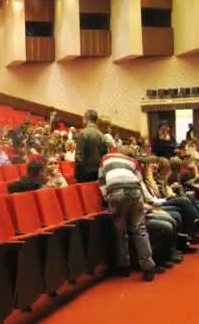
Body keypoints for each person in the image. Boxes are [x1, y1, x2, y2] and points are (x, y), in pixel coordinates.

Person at [98, 146, 158, 281]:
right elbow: (141, 183)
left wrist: (107, 197)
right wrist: (151, 200)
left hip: (116, 192)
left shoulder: (105, 158)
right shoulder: (133, 162)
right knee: (139, 229)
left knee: (121, 231)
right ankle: (148, 267)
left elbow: (101, 180)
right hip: (134, 191)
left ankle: (124, 266)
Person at [74, 110, 107, 182]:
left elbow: (79, 157)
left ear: (86, 119)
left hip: (85, 174)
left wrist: (76, 175)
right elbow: (104, 156)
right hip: (98, 173)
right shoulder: (102, 135)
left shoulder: (83, 133)